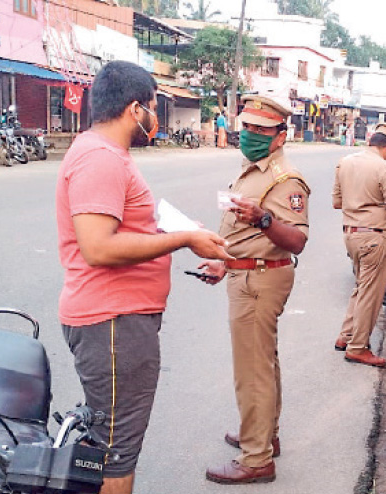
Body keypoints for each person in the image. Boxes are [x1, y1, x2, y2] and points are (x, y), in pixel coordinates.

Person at [55, 61, 232, 494]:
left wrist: (184, 233)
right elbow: (97, 246)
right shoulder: (101, 158)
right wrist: (185, 239)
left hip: (117, 322)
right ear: (136, 109)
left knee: (109, 445)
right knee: (117, 456)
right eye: (154, 107)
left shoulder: (106, 154)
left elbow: (131, 226)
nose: (155, 118)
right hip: (113, 324)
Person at [197, 94, 310, 484]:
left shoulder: (285, 179)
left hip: (260, 280)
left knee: (253, 371)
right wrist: (224, 262)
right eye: (247, 127)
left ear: (280, 136)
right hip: (245, 272)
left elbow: (296, 241)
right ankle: (264, 437)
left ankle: (256, 459)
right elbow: (242, 236)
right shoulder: (253, 169)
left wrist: (263, 218)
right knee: (264, 363)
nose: (250, 135)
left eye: (261, 130)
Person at [333, 122, 386, 368]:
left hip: (351, 234)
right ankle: (357, 347)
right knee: (371, 294)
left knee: (361, 287)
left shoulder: (345, 162)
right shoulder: (384, 169)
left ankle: (345, 336)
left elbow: (337, 202)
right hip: (375, 237)